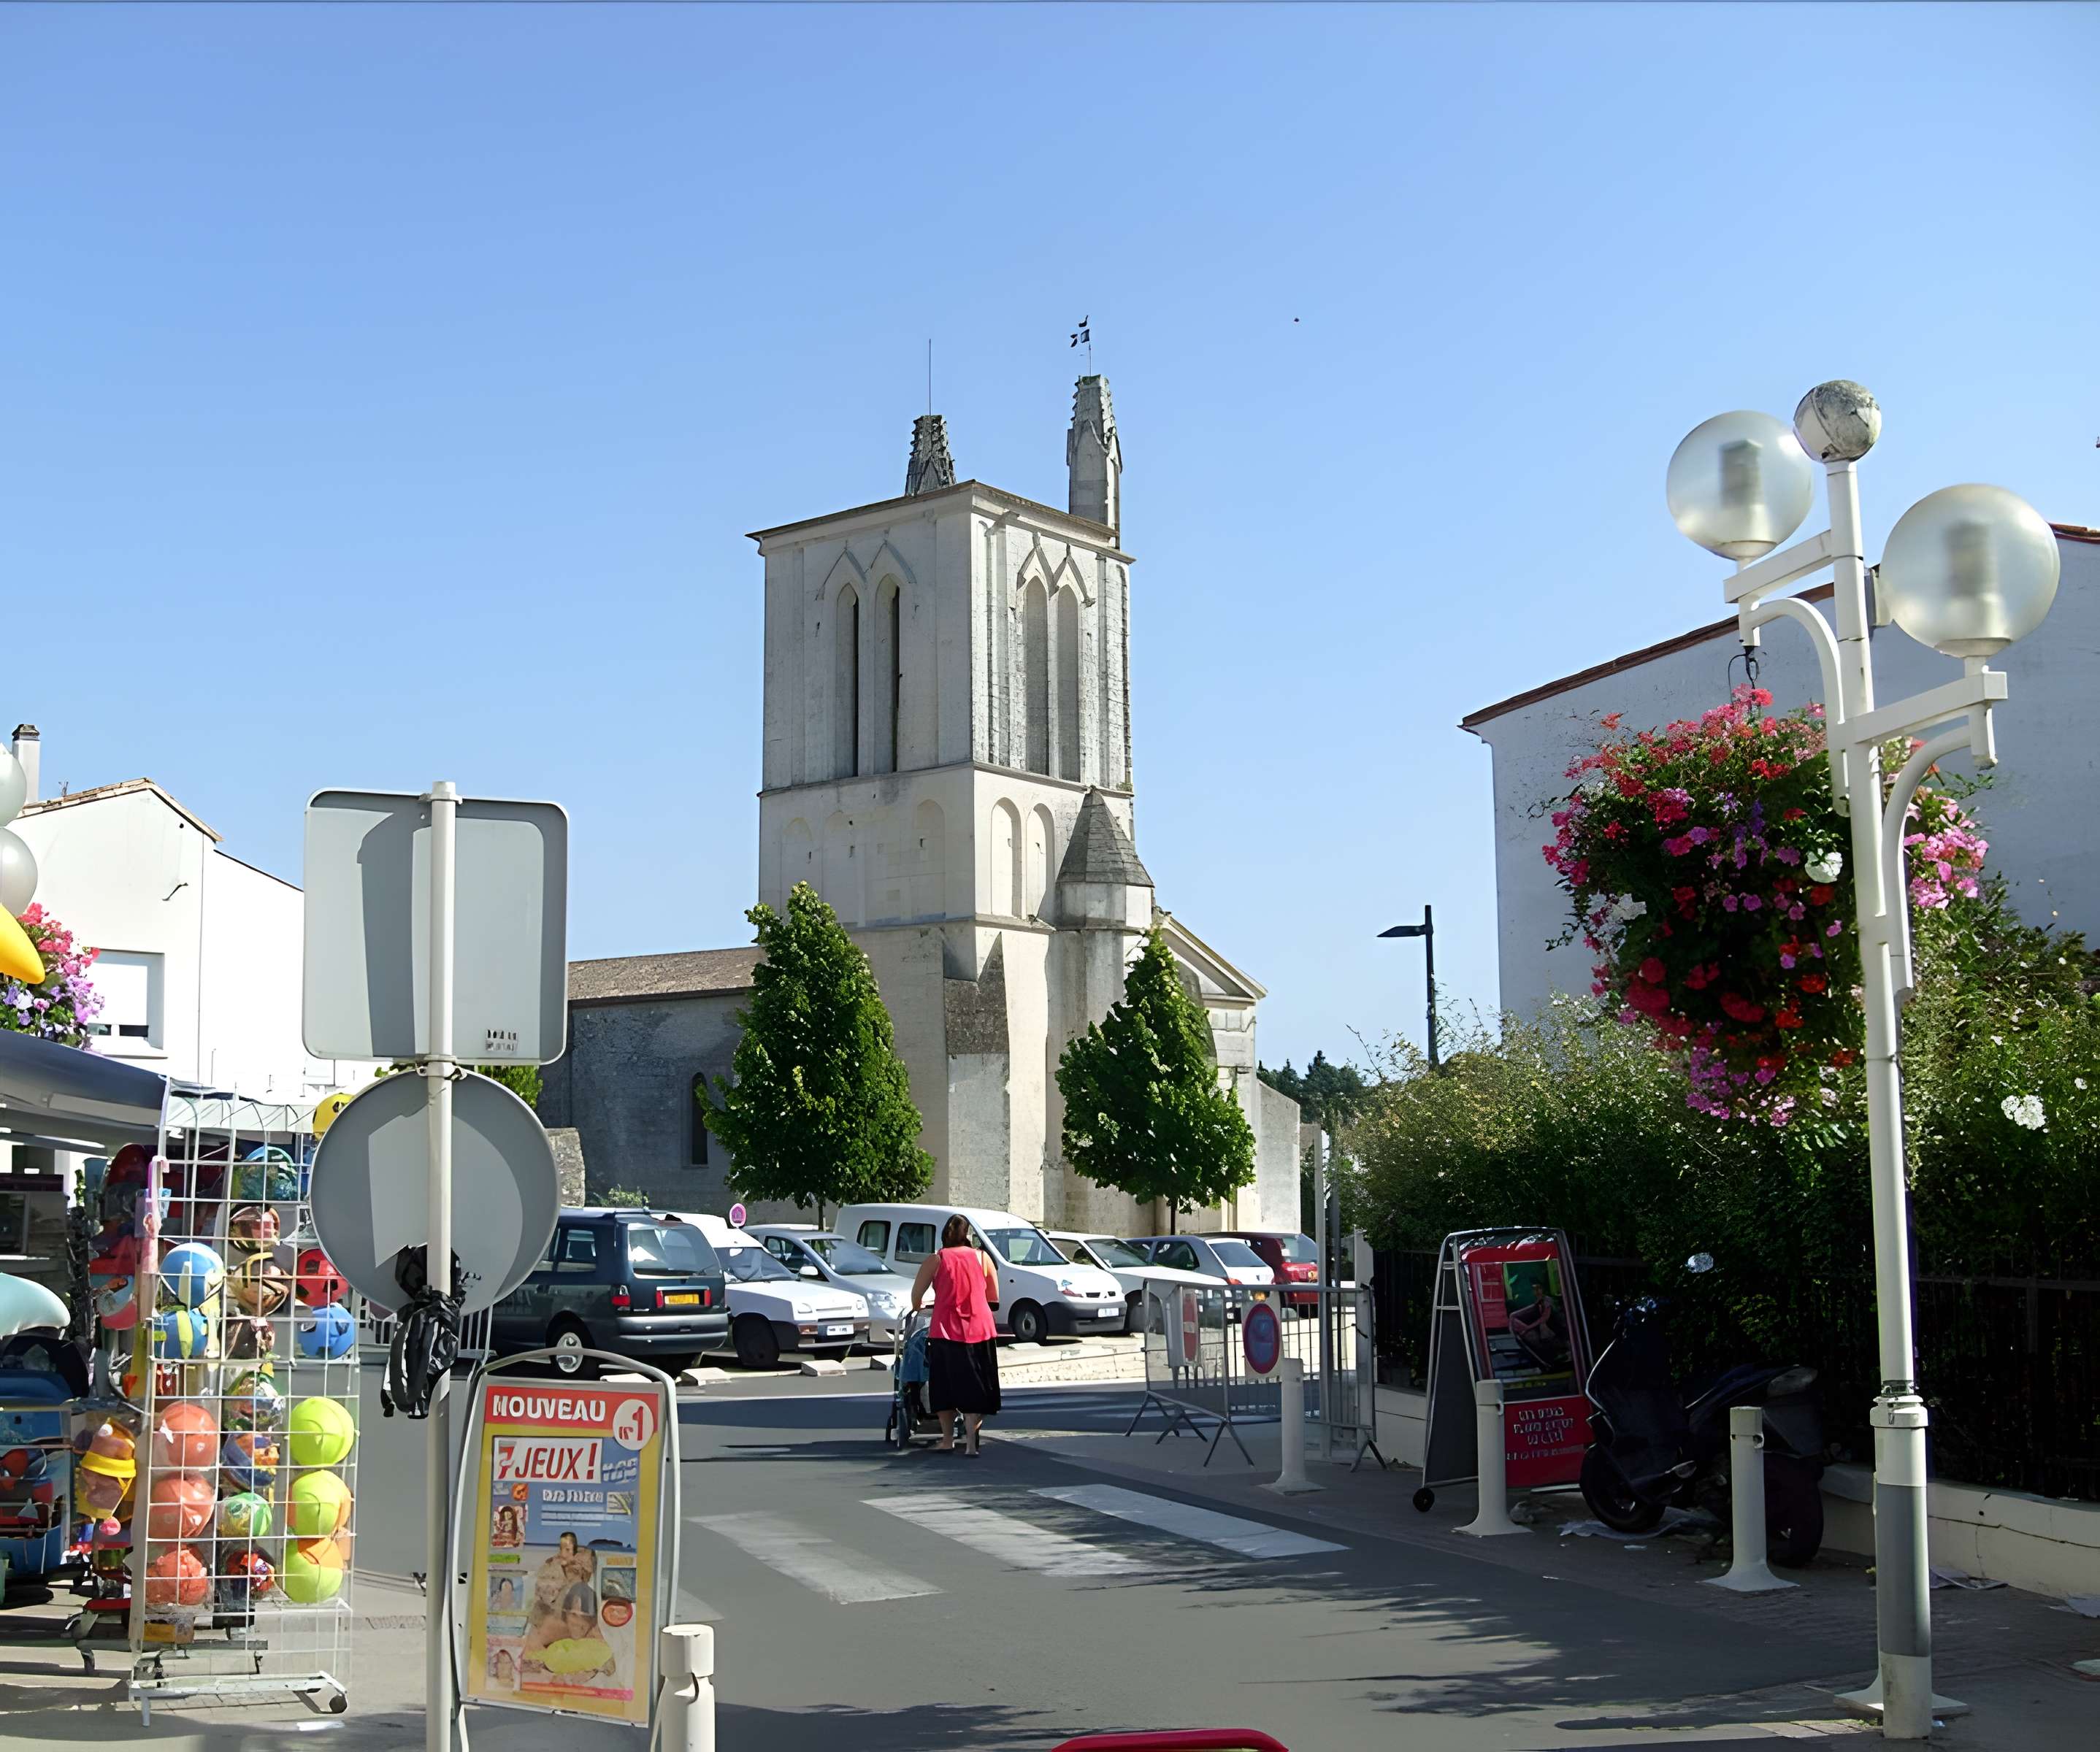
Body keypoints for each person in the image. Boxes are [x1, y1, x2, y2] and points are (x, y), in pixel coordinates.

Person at [908, 1213, 1001, 1456]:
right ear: (968, 1235)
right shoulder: (983, 1258)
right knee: (977, 1387)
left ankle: (948, 1439)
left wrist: (926, 1302)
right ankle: (971, 1444)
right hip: (980, 1330)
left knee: (945, 1387)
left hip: (945, 1332)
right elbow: (994, 1298)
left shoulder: (936, 1259)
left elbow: (916, 1298)